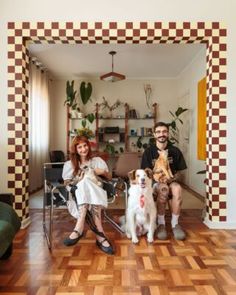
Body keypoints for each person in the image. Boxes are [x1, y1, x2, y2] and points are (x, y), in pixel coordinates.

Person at [62, 135, 114, 255]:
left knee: (88, 180)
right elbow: (67, 183)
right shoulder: (69, 164)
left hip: (97, 192)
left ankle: (79, 228)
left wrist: (102, 172)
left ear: (88, 146)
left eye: (85, 145)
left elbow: (109, 178)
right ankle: (101, 236)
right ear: (75, 149)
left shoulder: (97, 161)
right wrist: (77, 180)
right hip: (78, 195)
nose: (83, 149)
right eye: (79, 147)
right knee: (84, 181)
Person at [141, 122, 187, 240]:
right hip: (155, 182)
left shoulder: (175, 151)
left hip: (171, 180)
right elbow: (145, 172)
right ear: (154, 134)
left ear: (168, 133)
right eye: (159, 132)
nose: (162, 134)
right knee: (163, 189)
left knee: (177, 188)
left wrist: (172, 178)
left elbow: (181, 172)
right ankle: (161, 224)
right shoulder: (148, 152)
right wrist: (154, 177)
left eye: (164, 131)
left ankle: (175, 224)